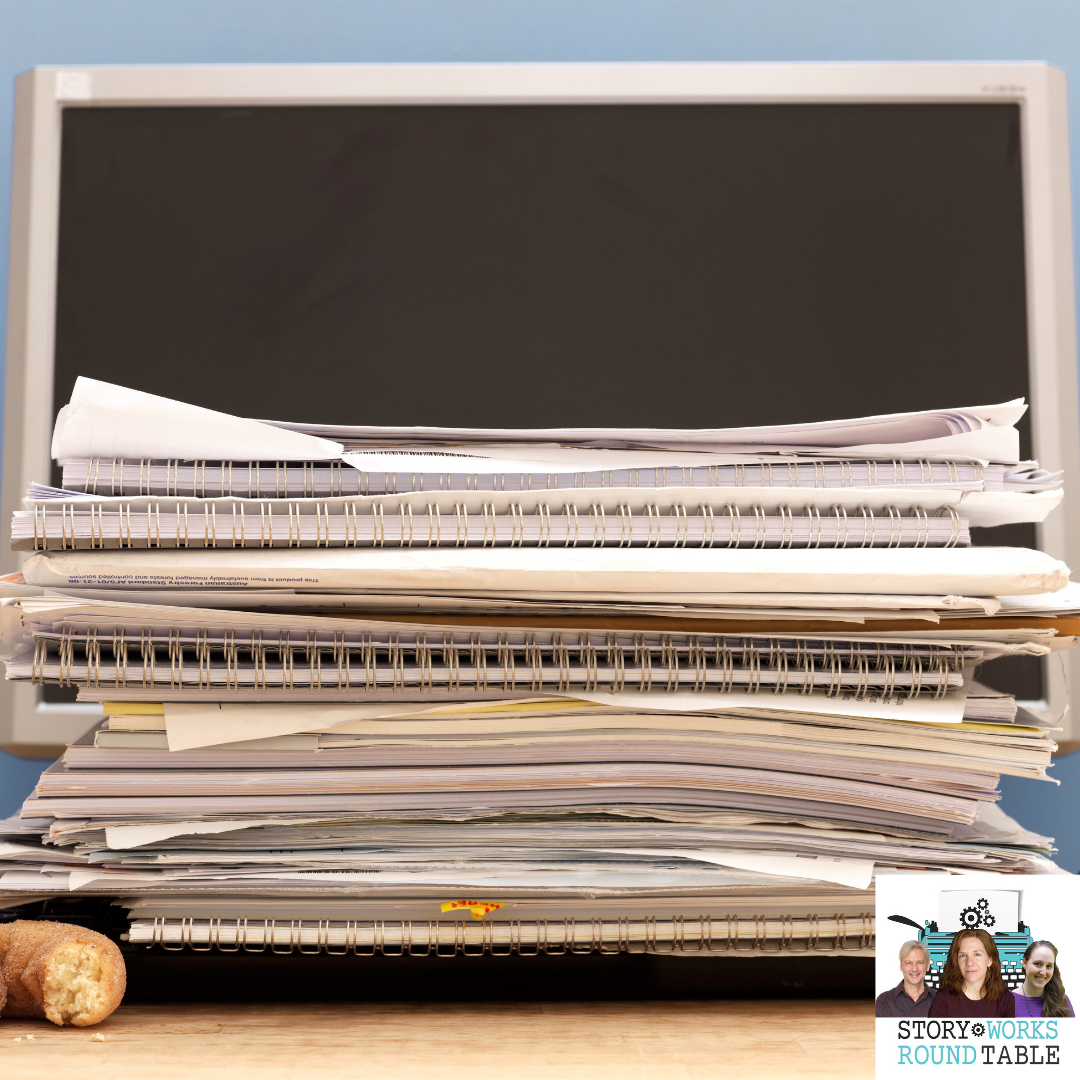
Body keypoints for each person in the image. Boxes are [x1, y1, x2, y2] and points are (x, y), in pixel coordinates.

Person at [928, 928, 1015, 1017]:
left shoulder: (1007, 1000)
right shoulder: (943, 999)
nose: (969, 962)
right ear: (956, 961)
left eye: (977, 954)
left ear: (990, 960)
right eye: (962, 955)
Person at [1013, 940, 1075, 1018]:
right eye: (1037, 964)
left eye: (1049, 966)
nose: (1043, 972)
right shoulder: (1005, 1002)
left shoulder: (1062, 1000)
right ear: (1024, 963)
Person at [876, 940, 936, 1016]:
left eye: (919, 962)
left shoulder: (941, 1000)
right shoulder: (884, 1001)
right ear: (901, 966)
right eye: (908, 963)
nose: (914, 969)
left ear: (927, 966)